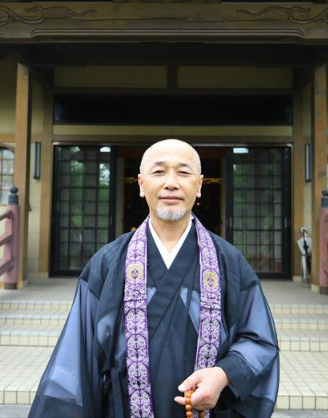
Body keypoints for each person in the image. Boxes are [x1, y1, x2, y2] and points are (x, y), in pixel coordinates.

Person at [29, 139, 279, 418]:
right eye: (159, 172)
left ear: (198, 185)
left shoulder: (228, 262)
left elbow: (259, 341)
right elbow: (79, 352)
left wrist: (223, 375)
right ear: (140, 183)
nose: (171, 183)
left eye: (183, 173)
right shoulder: (109, 262)